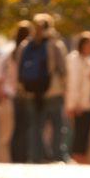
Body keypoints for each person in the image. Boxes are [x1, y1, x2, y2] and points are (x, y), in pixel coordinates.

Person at [18, 14, 67, 163]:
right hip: (53, 91)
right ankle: (58, 156)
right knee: (57, 125)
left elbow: (19, 69)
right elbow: (63, 68)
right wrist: (65, 87)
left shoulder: (25, 45)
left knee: (35, 126)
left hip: (32, 92)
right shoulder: (55, 44)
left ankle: (35, 156)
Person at [0, 21, 30, 163]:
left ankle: (10, 160)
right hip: (15, 96)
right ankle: (8, 161)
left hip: (12, 96)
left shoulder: (8, 54)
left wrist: (0, 94)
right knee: (14, 131)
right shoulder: (9, 55)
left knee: (8, 132)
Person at [66, 32, 90, 163]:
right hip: (79, 105)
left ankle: (82, 160)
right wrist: (73, 104)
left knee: (85, 135)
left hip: (89, 104)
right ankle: (76, 160)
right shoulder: (75, 60)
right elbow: (74, 83)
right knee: (78, 135)